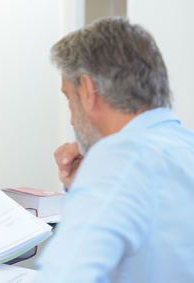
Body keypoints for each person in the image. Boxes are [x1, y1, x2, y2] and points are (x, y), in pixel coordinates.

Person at [36, 17, 194, 282]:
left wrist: (101, 173)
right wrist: (87, 184)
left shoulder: (121, 157)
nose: (72, 120)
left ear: (88, 90)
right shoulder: (185, 146)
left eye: (68, 98)